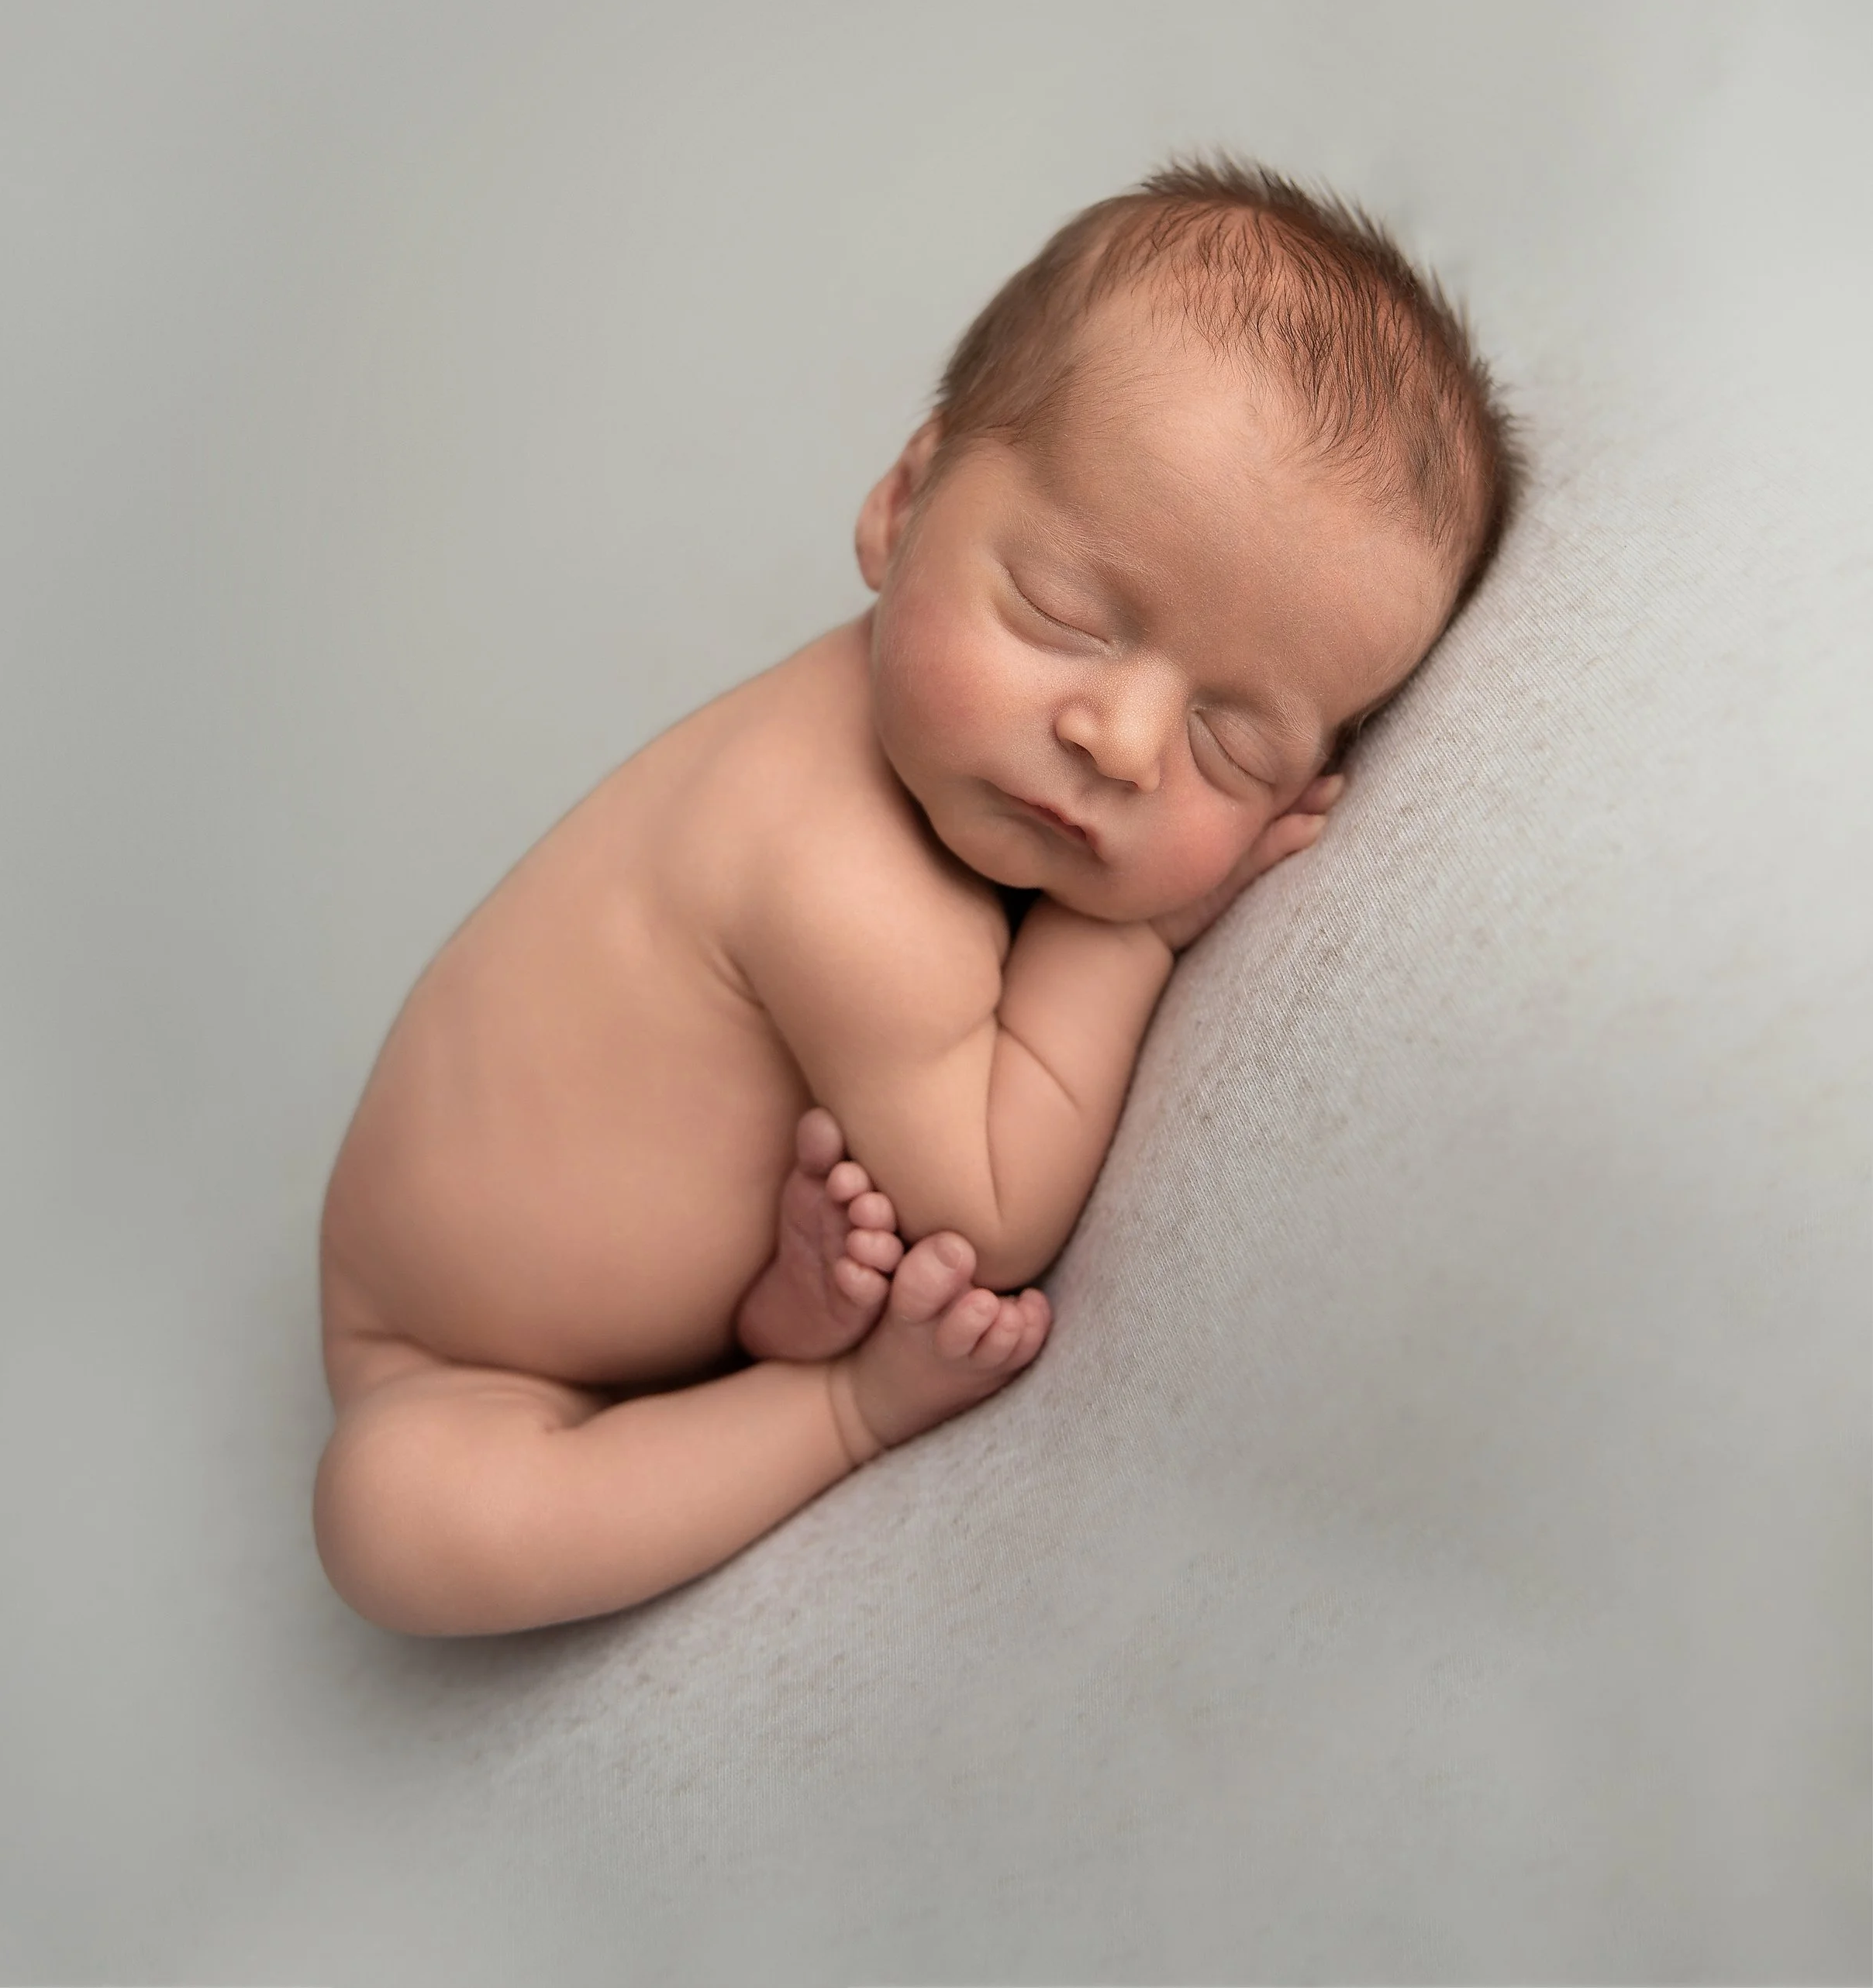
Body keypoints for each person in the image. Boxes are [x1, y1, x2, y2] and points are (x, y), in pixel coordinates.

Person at [312, 157, 1518, 1635]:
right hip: (463, 1352)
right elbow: (995, 1207)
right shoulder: (828, 857)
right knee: (396, 1524)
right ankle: (827, 1412)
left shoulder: (963, 776)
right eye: (1067, 617)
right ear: (903, 504)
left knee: (814, 1218)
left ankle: (773, 1323)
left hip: (693, 1271)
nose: (1121, 744)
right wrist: (1126, 933)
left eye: (1232, 741)